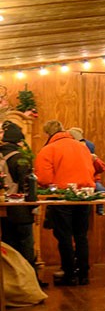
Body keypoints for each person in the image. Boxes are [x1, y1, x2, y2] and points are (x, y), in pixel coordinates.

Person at [35, 120, 96, 286]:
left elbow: (44, 179)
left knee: (64, 236)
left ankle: (69, 274)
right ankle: (84, 274)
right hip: (84, 195)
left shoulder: (48, 150)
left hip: (62, 196)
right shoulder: (82, 147)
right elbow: (92, 170)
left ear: (48, 134)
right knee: (81, 236)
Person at [0, 122, 38, 268]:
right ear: (19, 140)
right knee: (25, 245)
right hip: (21, 209)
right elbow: (28, 183)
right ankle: (29, 282)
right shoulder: (21, 158)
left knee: (9, 246)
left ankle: (11, 282)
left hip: (3, 207)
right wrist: (33, 206)